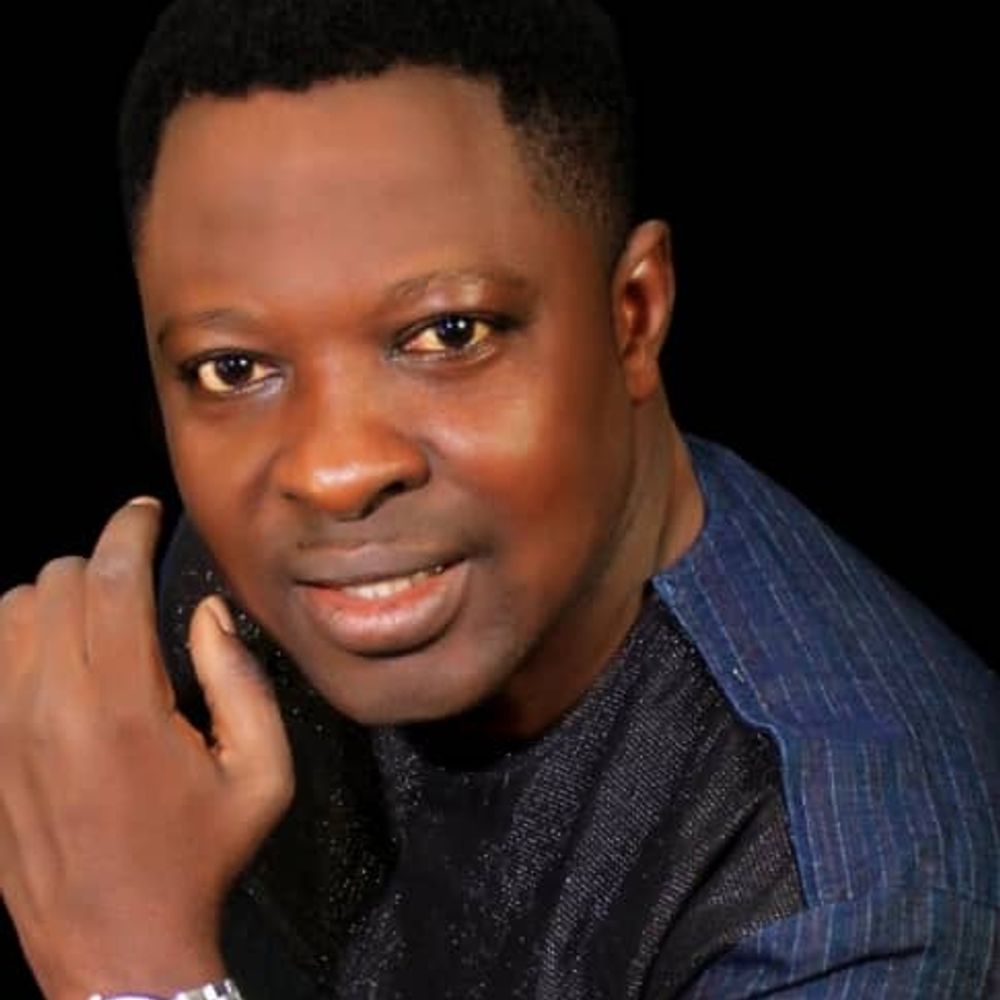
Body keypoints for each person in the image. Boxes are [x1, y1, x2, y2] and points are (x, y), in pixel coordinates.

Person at [1, 1, 996, 998]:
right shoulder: (241, 590)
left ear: (634, 314)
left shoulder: (855, 904)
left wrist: (136, 972)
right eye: (235, 367)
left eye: (449, 335)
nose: (333, 471)